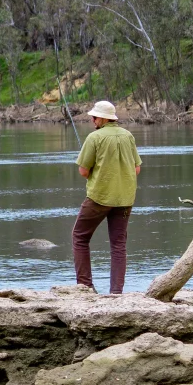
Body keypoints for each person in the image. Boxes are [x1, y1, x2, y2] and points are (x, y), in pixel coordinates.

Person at [72, 100, 142, 293]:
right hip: (125, 199)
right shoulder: (128, 136)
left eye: (94, 117)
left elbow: (83, 171)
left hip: (99, 197)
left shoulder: (94, 138)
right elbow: (136, 169)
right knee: (118, 245)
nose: (92, 120)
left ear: (102, 118)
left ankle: (85, 287)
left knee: (79, 237)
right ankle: (116, 293)